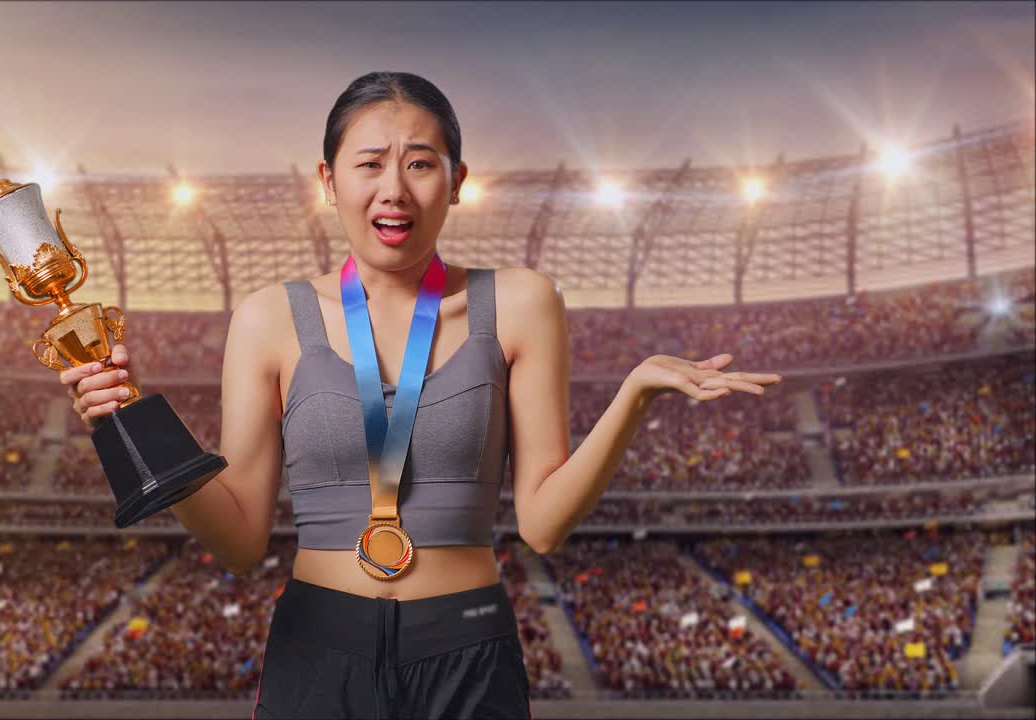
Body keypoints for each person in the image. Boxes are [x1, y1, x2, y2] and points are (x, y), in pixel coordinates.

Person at [61, 71, 781, 719]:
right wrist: (131, 417)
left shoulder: (523, 303)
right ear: (328, 179)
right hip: (318, 649)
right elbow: (241, 540)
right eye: (369, 164)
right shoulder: (266, 318)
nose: (394, 190)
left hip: (468, 646)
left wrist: (634, 395)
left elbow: (544, 526)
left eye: (420, 164)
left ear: (458, 178)